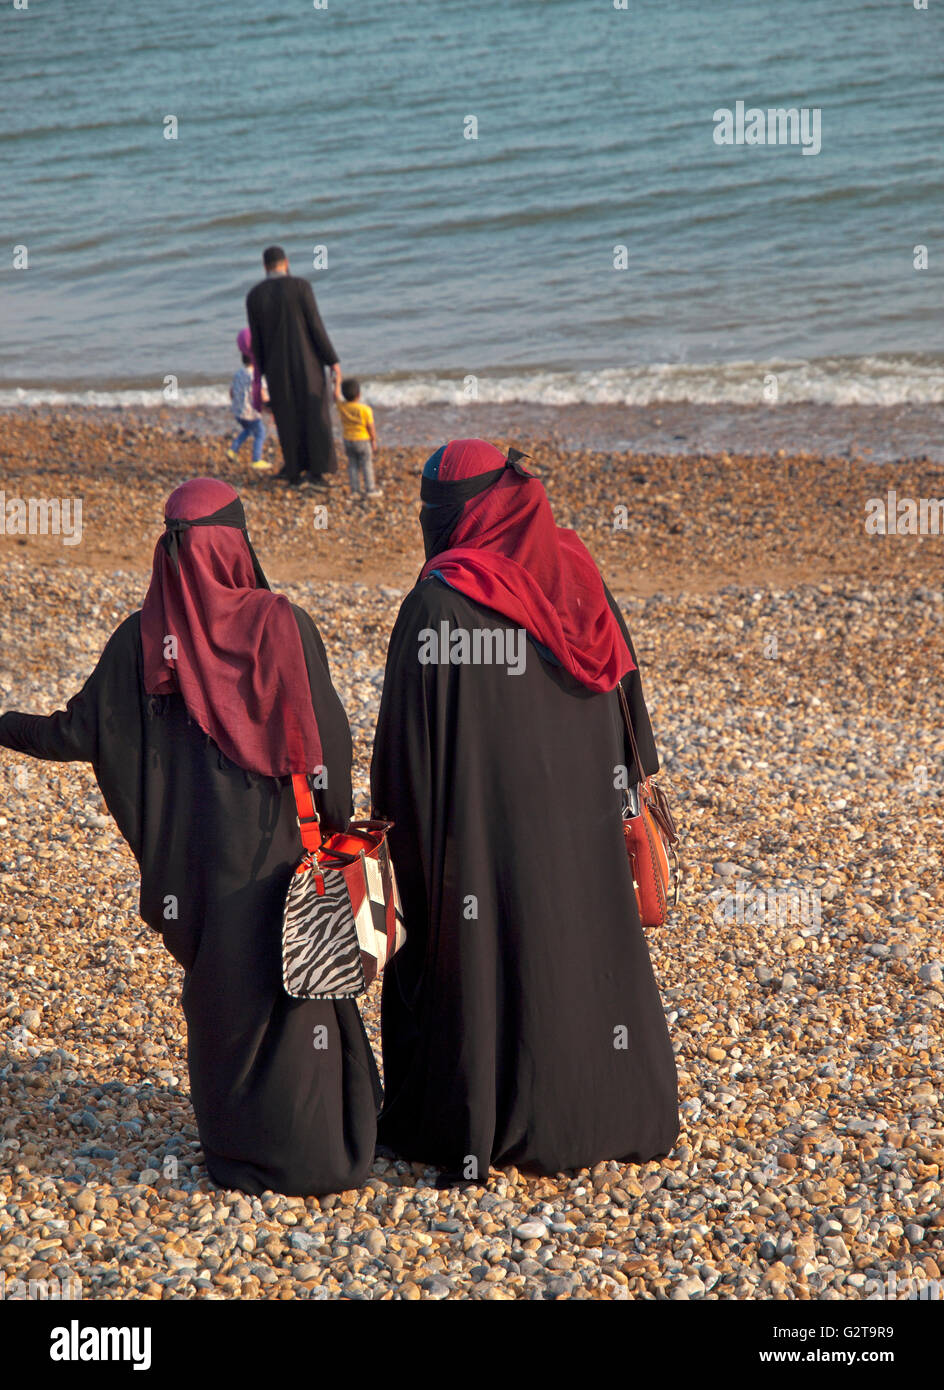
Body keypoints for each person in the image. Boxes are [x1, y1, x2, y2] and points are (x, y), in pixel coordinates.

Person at [0, 478, 381, 1196]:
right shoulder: (280, 625)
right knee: (300, 990)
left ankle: (238, 1151)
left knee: (223, 1000)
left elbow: (73, 733)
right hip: (280, 851)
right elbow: (326, 742)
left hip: (193, 868)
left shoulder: (141, 641)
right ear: (236, 543)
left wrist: (2, 725)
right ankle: (323, 1150)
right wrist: (334, 824)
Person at [371, 438, 679, 1183]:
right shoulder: (575, 570)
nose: (425, 521)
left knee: (492, 961)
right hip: (585, 826)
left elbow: (405, 763)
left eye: (432, 510)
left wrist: (406, 844)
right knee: (586, 953)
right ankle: (618, 1109)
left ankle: (485, 1118)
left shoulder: (438, 603)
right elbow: (627, 699)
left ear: (458, 514)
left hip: (487, 844)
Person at [246, 246, 341, 487]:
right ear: (286, 263)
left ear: (265, 266)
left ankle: (294, 471)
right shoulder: (301, 287)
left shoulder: (255, 295)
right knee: (314, 412)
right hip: (308, 361)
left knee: (287, 416)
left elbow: (256, 341)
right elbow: (315, 326)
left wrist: (261, 375)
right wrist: (332, 360)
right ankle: (317, 471)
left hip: (276, 367)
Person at [226, 328, 270, 470]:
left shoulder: (239, 373)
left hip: (239, 412)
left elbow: (232, 392)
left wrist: (236, 404)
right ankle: (256, 459)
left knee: (247, 431)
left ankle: (233, 450)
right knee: (260, 433)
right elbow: (262, 395)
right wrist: (269, 404)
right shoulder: (255, 376)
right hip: (250, 413)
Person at [335, 377, 381, 500]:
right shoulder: (365, 409)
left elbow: (335, 395)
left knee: (353, 464)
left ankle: (355, 491)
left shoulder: (342, 406)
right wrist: (374, 440)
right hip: (362, 440)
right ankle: (370, 489)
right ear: (359, 394)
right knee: (366, 464)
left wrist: (337, 382)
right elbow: (370, 427)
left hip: (347, 440)